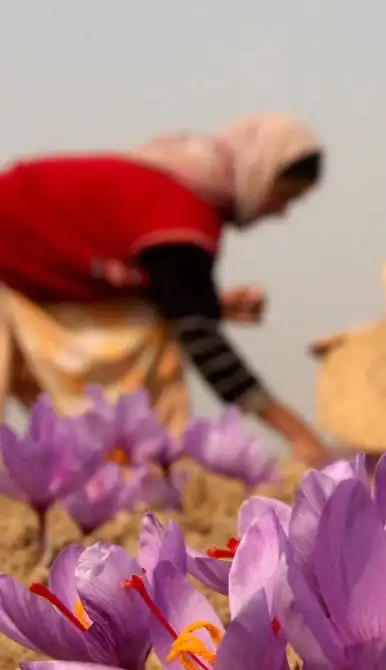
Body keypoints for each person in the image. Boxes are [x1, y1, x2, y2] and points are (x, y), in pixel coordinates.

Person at [0, 111, 332, 464]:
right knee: (155, 343)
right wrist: (296, 431)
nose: (280, 213)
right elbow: (203, 344)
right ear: (260, 172)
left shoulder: (174, 194)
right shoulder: (181, 215)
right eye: (283, 196)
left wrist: (211, 306)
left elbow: (172, 297)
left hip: (18, 271)